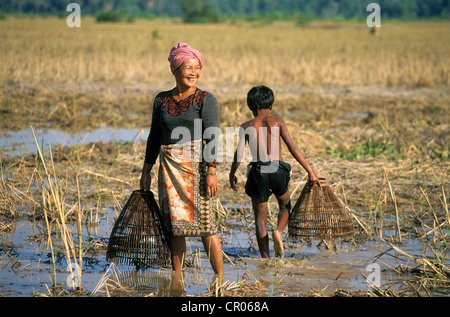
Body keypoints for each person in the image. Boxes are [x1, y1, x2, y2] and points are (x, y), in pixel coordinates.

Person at [140, 42, 223, 277]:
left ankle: (219, 280)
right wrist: (146, 170)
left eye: (197, 67)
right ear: (175, 69)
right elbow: (154, 136)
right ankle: (177, 278)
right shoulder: (161, 100)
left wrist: (212, 172)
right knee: (174, 228)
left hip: (196, 171)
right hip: (168, 171)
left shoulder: (206, 99)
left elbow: (212, 137)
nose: (194, 72)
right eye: (188, 67)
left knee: (206, 226)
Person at [229, 85, 321, 258]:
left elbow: (239, 154)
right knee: (285, 205)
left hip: (258, 172)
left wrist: (232, 173)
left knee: (260, 219)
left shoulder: (246, 126)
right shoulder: (277, 122)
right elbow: (293, 147)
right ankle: (278, 230)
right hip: (278, 169)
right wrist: (311, 172)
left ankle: (265, 259)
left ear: (250, 106)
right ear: (271, 105)